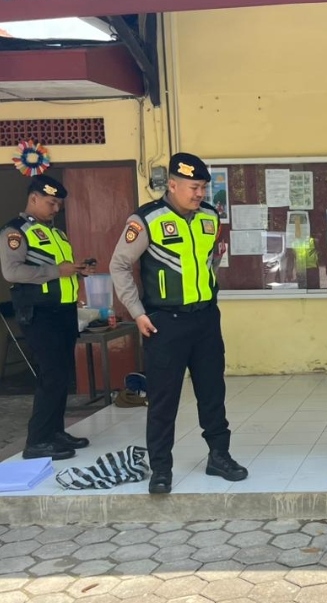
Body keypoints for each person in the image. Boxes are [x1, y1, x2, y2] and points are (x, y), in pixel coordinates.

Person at [110, 152, 247, 494]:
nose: (200, 194)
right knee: (163, 399)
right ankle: (161, 468)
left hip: (205, 320)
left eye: (203, 187)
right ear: (172, 185)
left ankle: (219, 456)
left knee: (212, 392)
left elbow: (210, 259)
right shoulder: (146, 219)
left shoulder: (209, 217)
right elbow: (119, 265)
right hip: (164, 323)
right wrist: (137, 312)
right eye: (193, 187)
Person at [0, 174, 94, 460]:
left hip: (63, 312)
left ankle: (54, 432)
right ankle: (37, 441)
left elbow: (61, 270)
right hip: (39, 313)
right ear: (34, 198)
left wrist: (78, 270)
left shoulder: (57, 234)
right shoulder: (15, 232)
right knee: (50, 375)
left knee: (62, 374)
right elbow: (12, 272)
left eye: (59, 204)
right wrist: (57, 271)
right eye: (51, 203)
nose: (56, 209)